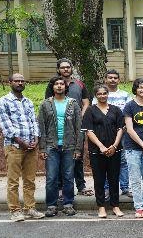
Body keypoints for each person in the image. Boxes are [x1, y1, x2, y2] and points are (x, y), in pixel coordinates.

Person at [0, 73, 45, 221]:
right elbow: (6, 126)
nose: (20, 83)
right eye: (16, 81)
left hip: (31, 147)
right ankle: (15, 210)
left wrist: (36, 139)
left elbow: (34, 122)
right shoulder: (3, 101)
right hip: (14, 146)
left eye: (22, 81)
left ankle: (30, 208)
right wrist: (21, 142)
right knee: (13, 181)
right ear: (10, 82)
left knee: (30, 180)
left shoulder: (28, 102)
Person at [44, 58, 91, 197]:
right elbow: (47, 104)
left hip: (76, 127)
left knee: (78, 156)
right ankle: (59, 187)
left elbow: (86, 102)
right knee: (58, 158)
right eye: (63, 67)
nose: (65, 69)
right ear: (58, 69)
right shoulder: (53, 84)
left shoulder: (79, 84)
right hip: (57, 128)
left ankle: (81, 186)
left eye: (68, 67)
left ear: (71, 68)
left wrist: (80, 119)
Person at [39, 76, 83, 217]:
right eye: (56, 84)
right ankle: (51, 205)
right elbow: (41, 127)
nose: (59, 86)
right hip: (51, 146)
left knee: (68, 176)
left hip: (69, 146)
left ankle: (68, 203)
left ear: (66, 87)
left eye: (61, 84)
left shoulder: (73, 103)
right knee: (51, 177)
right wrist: (42, 148)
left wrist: (78, 148)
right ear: (52, 87)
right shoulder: (45, 104)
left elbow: (79, 127)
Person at [82, 85, 125, 218]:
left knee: (114, 179)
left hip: (114, 150)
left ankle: (115, 206)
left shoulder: (116, 110)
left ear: (108, 94)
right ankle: (101, 207)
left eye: (104, 93)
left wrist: (114, 146)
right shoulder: (90, 111)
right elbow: (89, 131)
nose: (102, 96)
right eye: (99, 94)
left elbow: (120, 129)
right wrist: (101, 146)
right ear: (96, 95)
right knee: (99, 180)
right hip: (97, 151)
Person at [92, 70, 132, 199]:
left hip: (123, 132)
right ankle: (107, 189)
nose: (113, 80)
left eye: (115, 78)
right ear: (106, 79)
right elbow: (94, 113)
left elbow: (129, 113)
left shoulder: (125, 95)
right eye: (110, 78)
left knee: (123, 160)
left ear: (119, 80)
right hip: (103, 133)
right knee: (106, 160)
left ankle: (125, 187)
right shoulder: (98, 96)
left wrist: (124, 127)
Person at [122, 78, 143, 218]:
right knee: (135, 179)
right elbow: (129, 129)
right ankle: (139, 207)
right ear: (135, 89)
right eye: (140, 87)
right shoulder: (129, 106)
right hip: (133, 148)